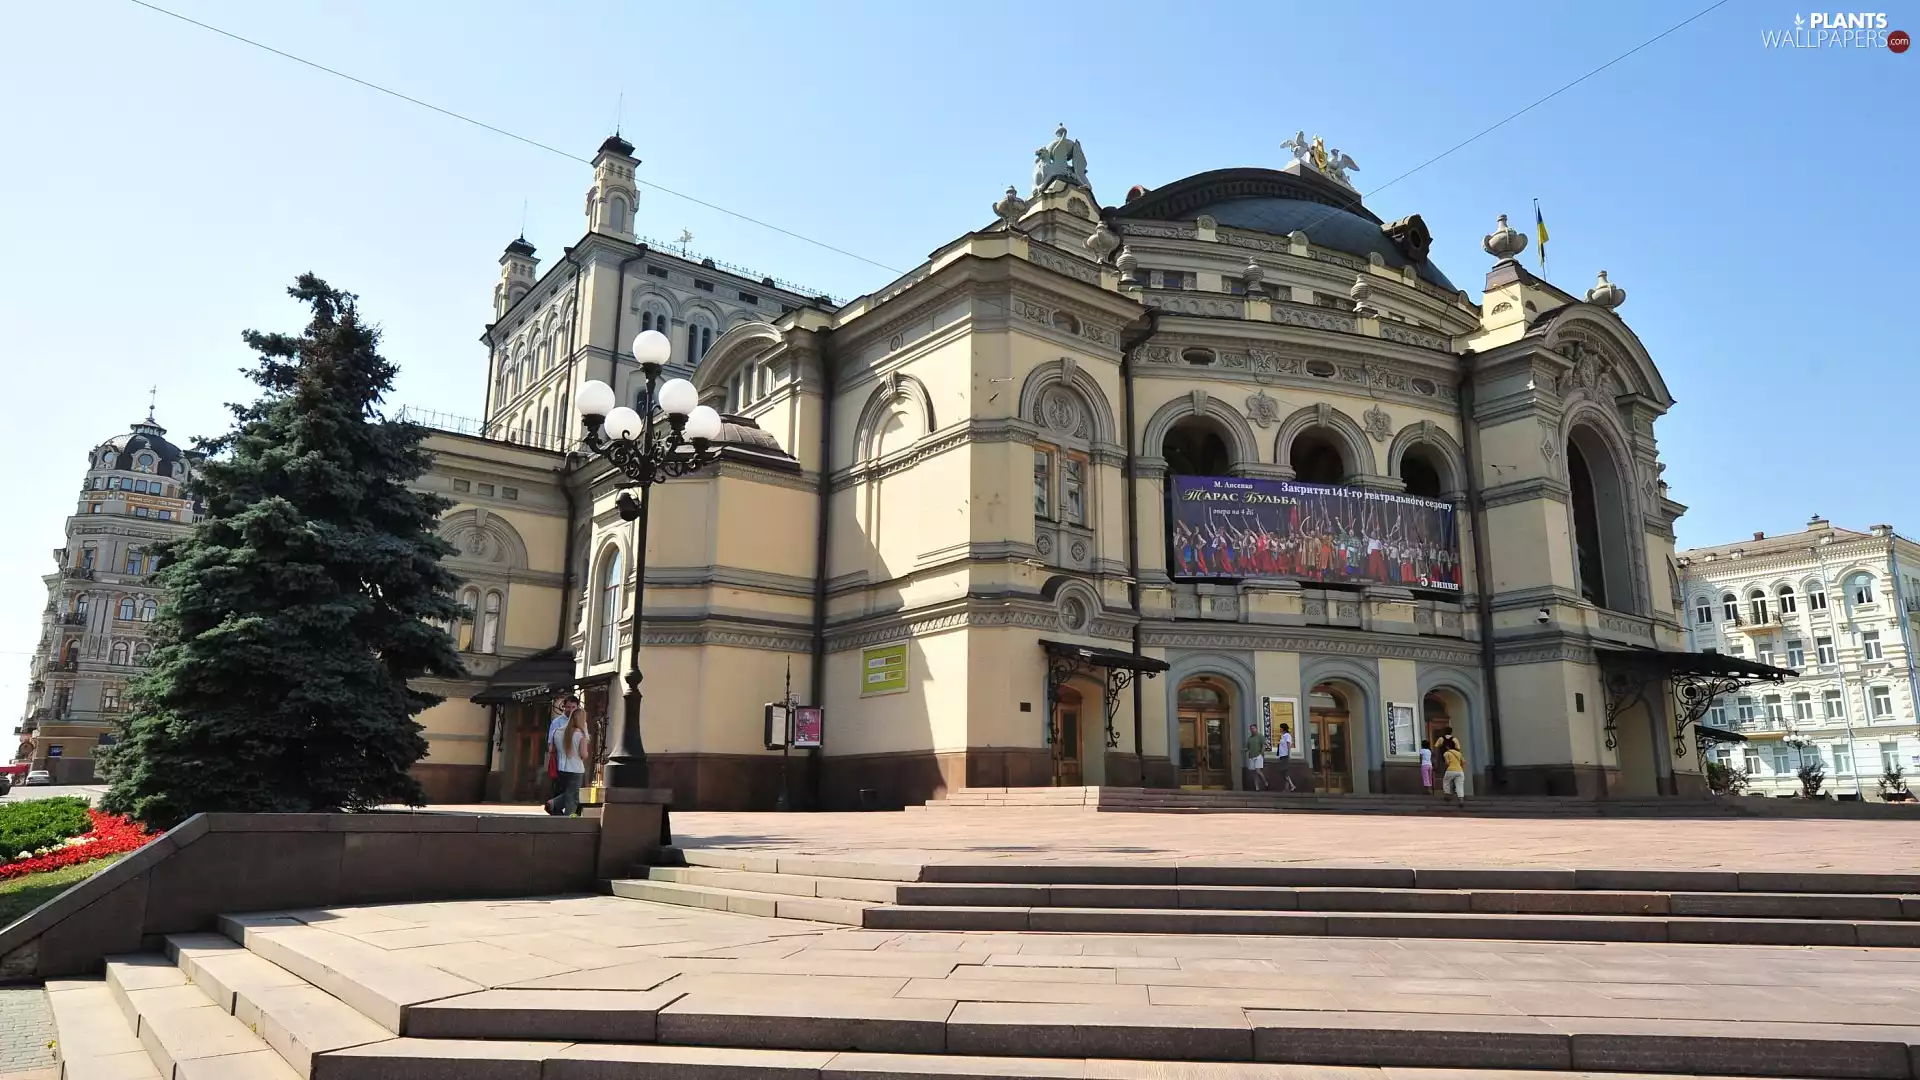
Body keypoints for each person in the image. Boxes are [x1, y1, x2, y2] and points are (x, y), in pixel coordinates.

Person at [547, 700, 589, 817]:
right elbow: (583, 754)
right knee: (574, 796)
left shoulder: (557, 731)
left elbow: (551, 749)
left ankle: (553, 803)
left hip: (561, 768)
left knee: (570, 793)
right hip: (576, 769)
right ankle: (568, 819)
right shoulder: (581, 735)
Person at [543, 695, 577, 804]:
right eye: (568, 707)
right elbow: (551, 743)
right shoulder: (557, 722)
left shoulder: (580, 722)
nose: (570, 710)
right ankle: (555, 810)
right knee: (560, 788)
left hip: (576, 762)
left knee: (574, 789)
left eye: (573, 707)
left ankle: (561, 809)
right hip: (561, 762)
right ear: (563, 707)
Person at [1441, 734, 1467, 805]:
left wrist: (1445, 766)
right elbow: (1464, 762)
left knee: (1446, 781)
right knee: (1459, 786)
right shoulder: (1459, 753)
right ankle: (1461, 800)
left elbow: (1447, 762)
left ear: (1447, 746)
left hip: (1450, 770)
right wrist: (1462, 769)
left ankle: (1447, 795)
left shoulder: (1446, 753)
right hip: (1460, 771)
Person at [1244, 722, 1268, 791]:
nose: (1252, 730)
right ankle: (1257, 787)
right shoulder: (1249, 738)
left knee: (1258, 771)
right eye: (1251, 729)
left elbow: (1264, 745)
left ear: (1256, 729)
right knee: (1254, 773)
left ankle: (1265, 782)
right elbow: (1248, 747)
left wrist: (1261, 753)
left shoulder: (1260, 736)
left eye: (1253, 728)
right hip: (1251, 756)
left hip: (1258, 756)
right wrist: (1244, 750)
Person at [1274, 722, 1296, 792]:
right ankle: (1287, 788)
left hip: (1285, 755)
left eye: (1280, 728)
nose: (1279, 729)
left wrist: (1289, 755)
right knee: (1285, 772)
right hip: (1282, 755)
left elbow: (1288, 745)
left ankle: (1292, 785)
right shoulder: (1282, 736)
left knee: (1284, 771)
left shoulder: (1287, 736)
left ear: (1283, 728)